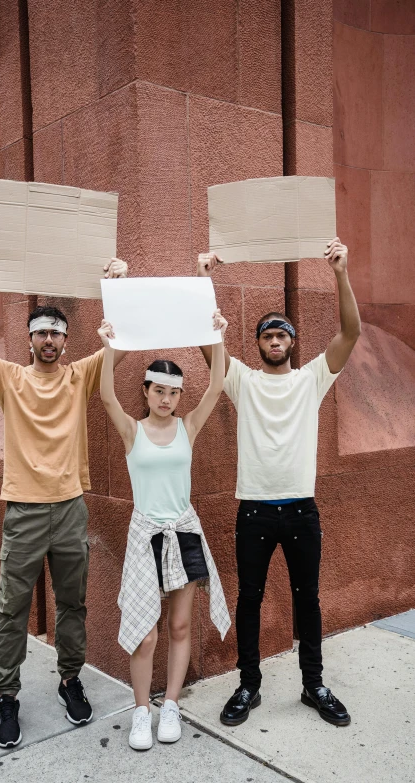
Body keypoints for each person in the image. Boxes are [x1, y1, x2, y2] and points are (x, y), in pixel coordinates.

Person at [0, 247, 128, 748]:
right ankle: (7, 696)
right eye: (40, 332)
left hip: (71, 507)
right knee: (12, 608)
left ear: (66, 340)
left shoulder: (81, 376)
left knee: (72, 603)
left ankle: (70, 681)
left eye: (56, 332)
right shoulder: (10, 378)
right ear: (28, 340)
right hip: (25, 511)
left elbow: (121, 339)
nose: (48, 339)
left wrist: (114, 286)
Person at [197, 237, 361, 727]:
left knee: (306, 599)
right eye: (267, 336)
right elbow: (208, 349)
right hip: (254, 510)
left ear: (292, 342)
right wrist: (206, 278)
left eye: (282, 336)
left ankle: (314, 685)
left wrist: (340, 273)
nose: (274, 343)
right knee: (249, 598)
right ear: (258, 344)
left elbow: (350, 333)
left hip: (301, 511)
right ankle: (249, 686)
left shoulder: (311, 379)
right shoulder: (242, 380)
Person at [97, 312, 231, 751]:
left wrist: (216, 335)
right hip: (145, 535)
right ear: (147, 391)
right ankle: (142, 710)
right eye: (160, 391)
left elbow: (216, 384)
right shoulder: (131, 431)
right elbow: (104, 392)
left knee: (178, 624)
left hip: (184, 532)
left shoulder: (187, 427)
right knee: (145, 630)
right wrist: (111, 341)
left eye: (174, 393)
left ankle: (170, 704)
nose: (167, 399)